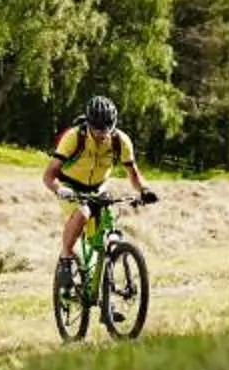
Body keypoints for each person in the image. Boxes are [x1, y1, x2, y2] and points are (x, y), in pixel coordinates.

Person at [43, 94, 154, 276]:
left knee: (109, 226)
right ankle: (66, 257)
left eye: (106, 129)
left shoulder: (120, 141)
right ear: (88, 123)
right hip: (70, 187)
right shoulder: (74, 137)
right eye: (97, 129)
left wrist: (144, 189)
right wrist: (59, 189)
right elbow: (49, 175)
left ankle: (105, 275)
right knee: (83, 212)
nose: (102, 134)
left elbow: (134, 174)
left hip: (99, 188)